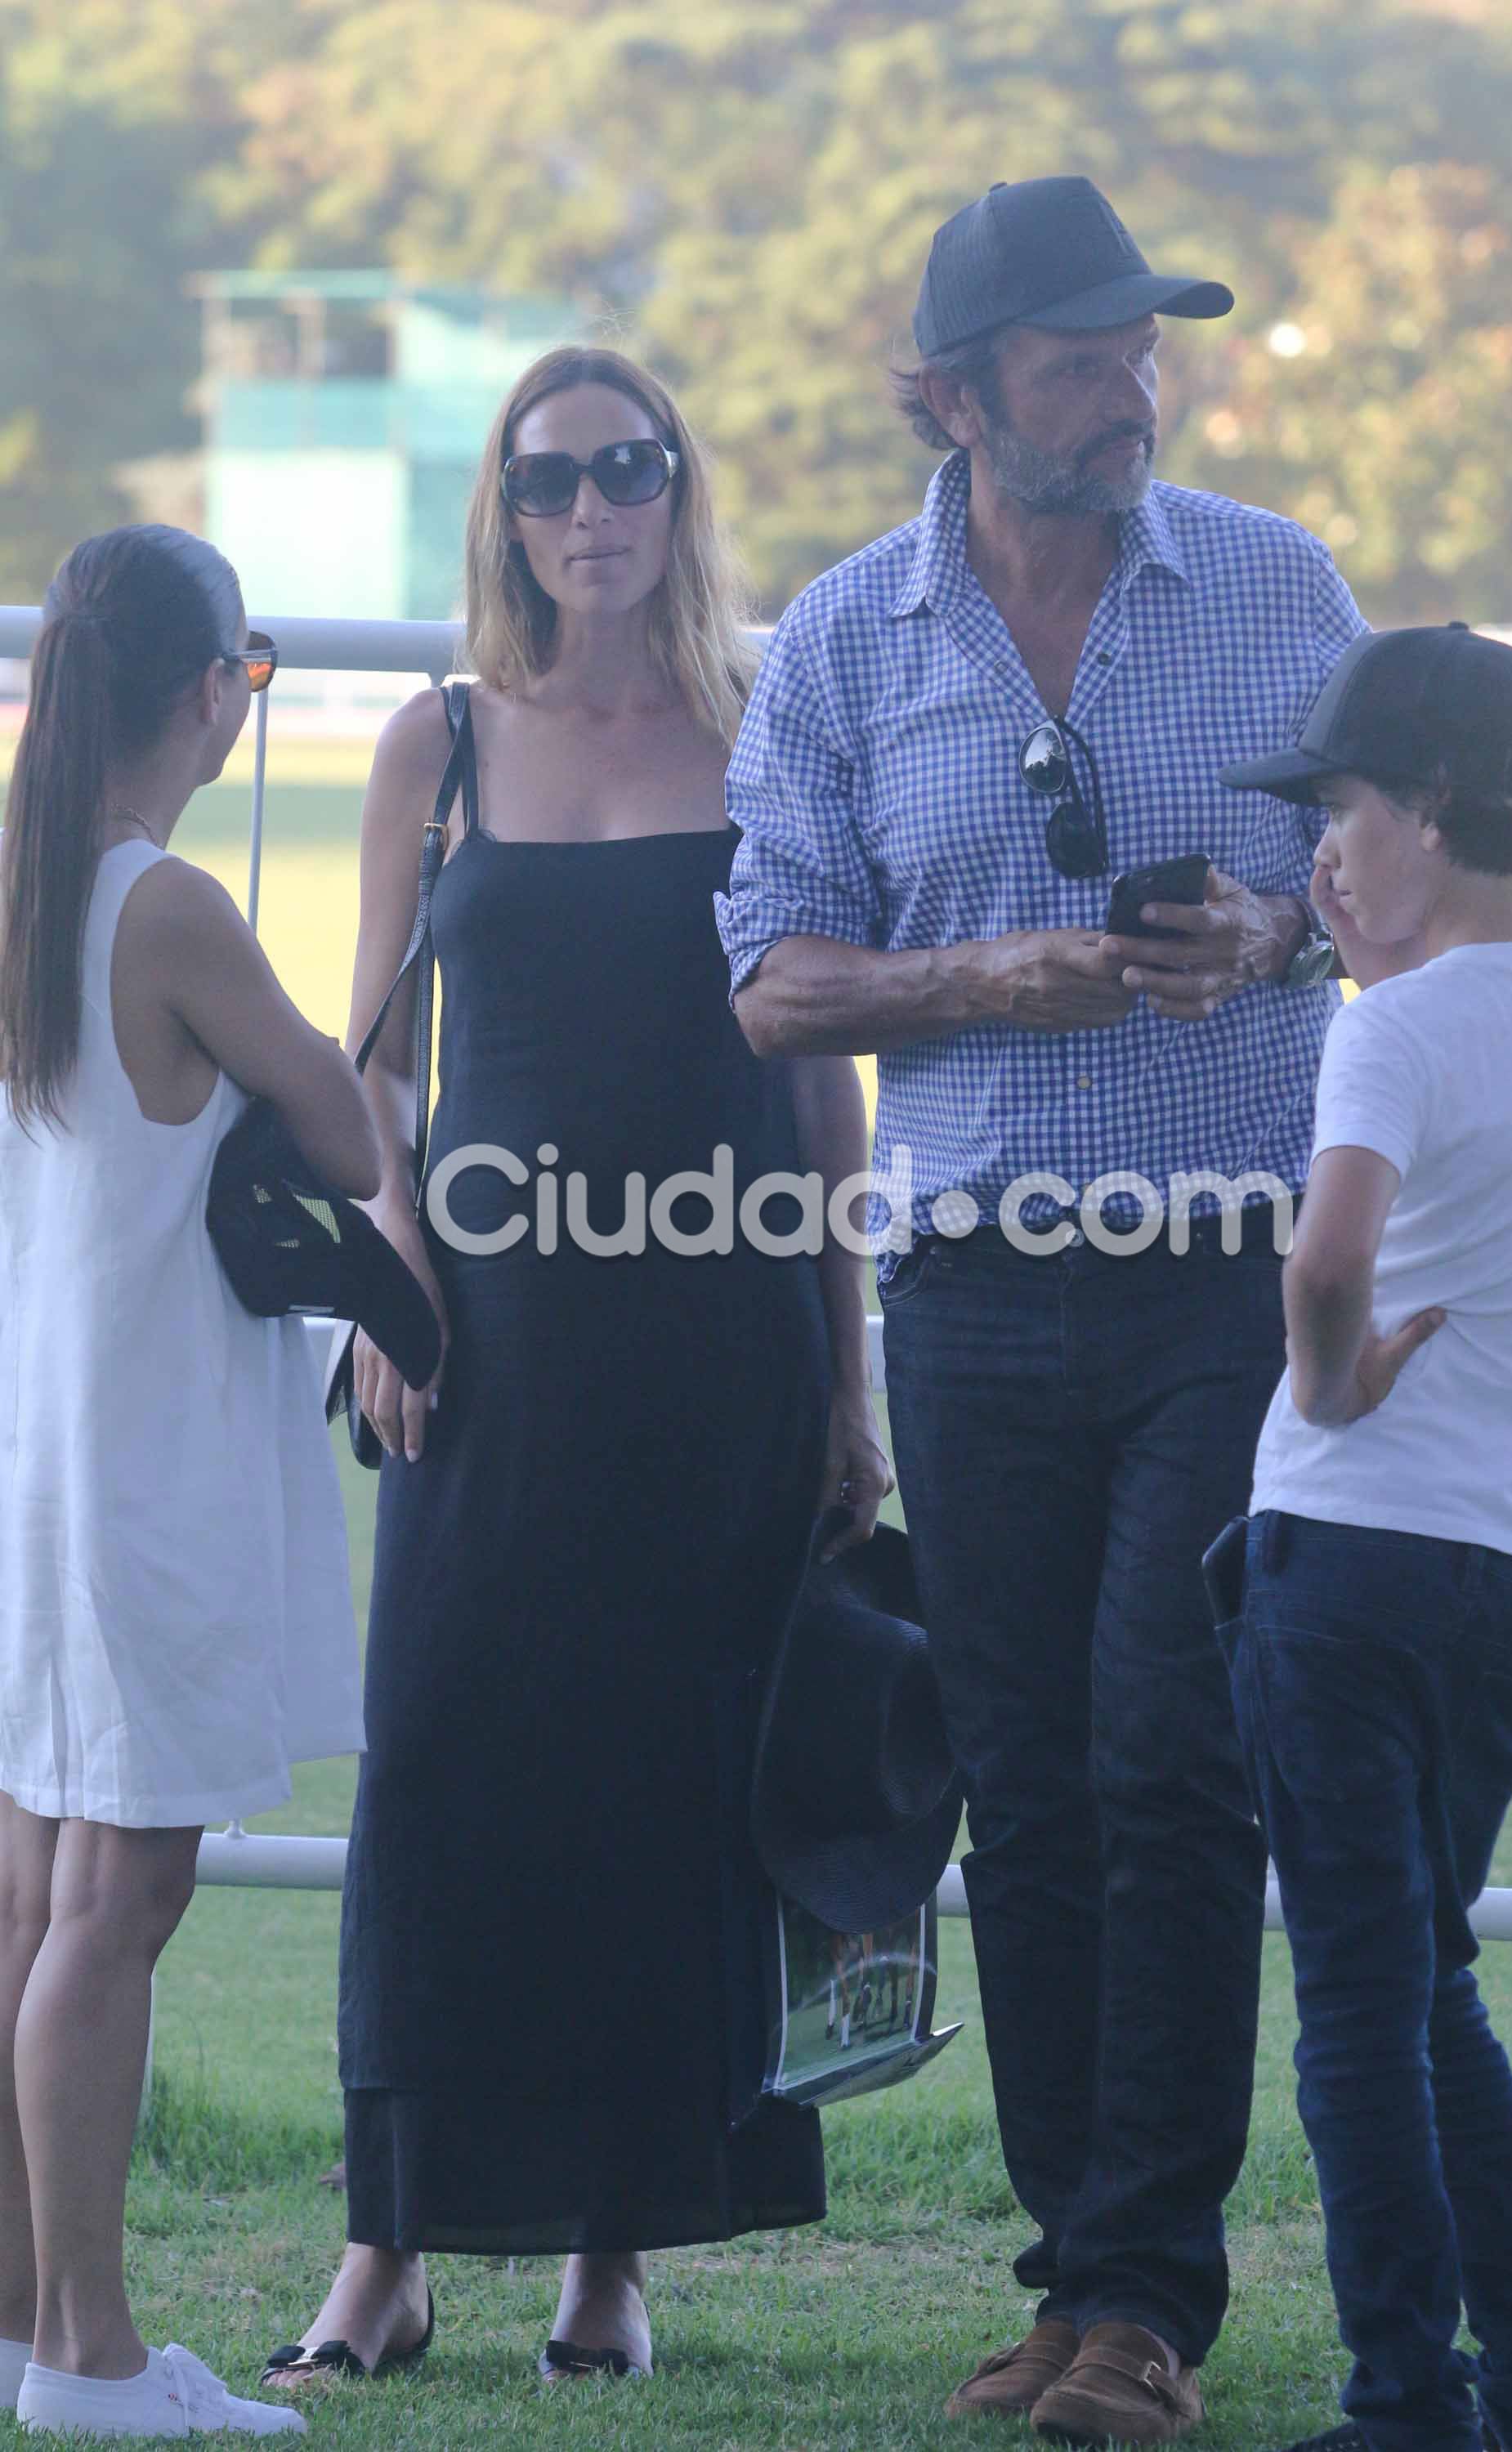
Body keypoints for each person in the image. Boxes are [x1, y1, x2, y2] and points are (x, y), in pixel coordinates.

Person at [717, 172, 1366, 2441]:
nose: (1134, 383)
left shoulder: (1281, 589)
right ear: (951, 393)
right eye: (1084, 353)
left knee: (1172, 1758)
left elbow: (1395, 871)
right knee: (1028, 1780)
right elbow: (778, 980)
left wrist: (1287, 928)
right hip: (978, 1290)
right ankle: (1073, 2280)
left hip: (1221, 1269)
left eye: (1143, 346)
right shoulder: (838, 641)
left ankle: (1146, 2308)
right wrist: (988, 977)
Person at [265, 346, 891, 2396]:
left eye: (629, 470)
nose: (592, 509)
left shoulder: (765, 735)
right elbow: (371, 1069)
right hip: (492, 1350)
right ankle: (386, 2249)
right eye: (552, 479)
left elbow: (825, 1103)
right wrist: (390, 1281)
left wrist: (849, 1382)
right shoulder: (435, 744)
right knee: (442, 1770)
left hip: (717, 1342)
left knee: (665, 1791)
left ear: (678, 490)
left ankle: (613, 2257)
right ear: (504, 509)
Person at [1208, 624, 1512, 2452]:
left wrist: (1330, 1385)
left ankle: (1404, 2401)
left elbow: (1324, 1262)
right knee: (1427, 1970)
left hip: (1346, 1551)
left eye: (1345, 809)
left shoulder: (1393, 1033)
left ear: (1438, 811)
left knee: (1360, 2008)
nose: (1320, 854)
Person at [0, 526, 376, 2439]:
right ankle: (87, 2360)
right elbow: (347, 1117)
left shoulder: (20, 877)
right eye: (252, 666)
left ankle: (22, 2324)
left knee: (28, 1891)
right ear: (205, 687)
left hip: (34, 1454)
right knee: (115, 1904)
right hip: (143, 1458)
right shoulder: (166, 907)